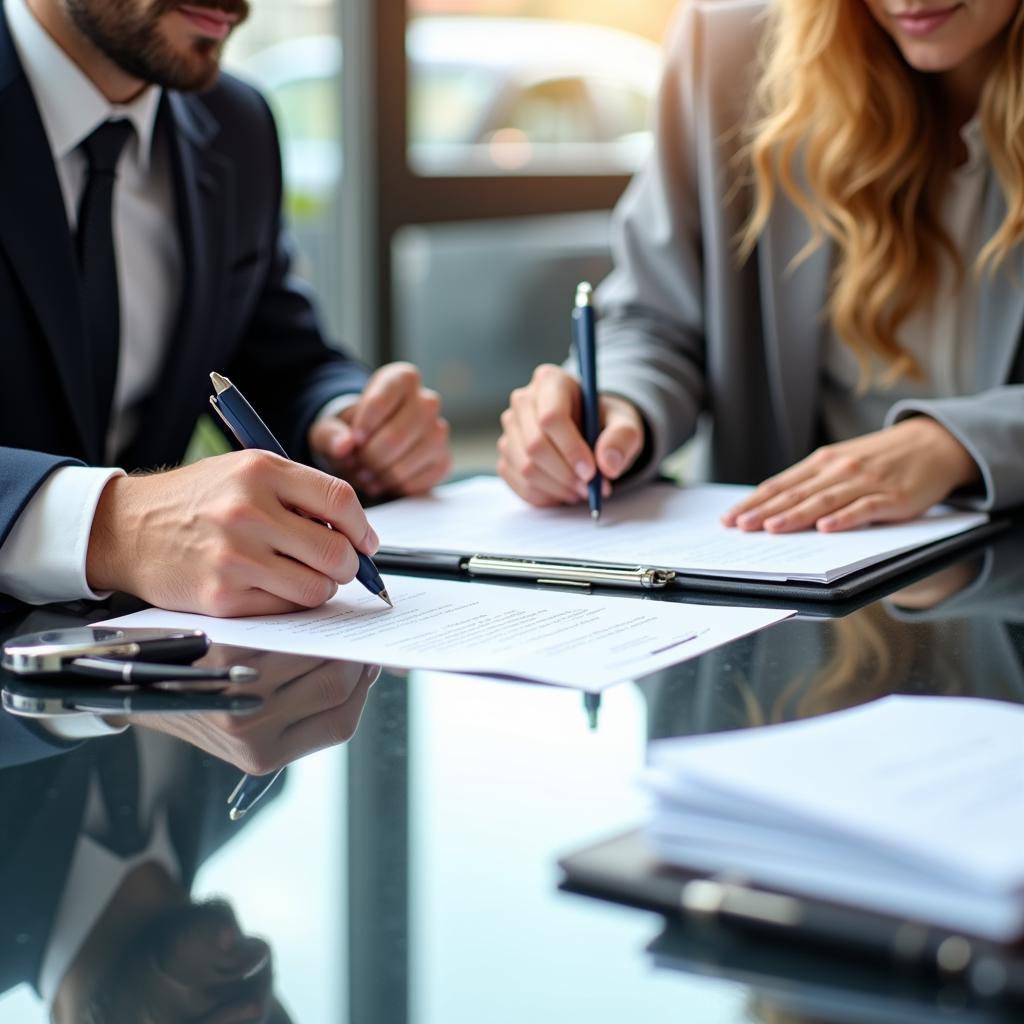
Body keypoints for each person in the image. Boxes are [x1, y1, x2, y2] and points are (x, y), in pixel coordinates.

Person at [497, 0, 1024, 533]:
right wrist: (616, 405)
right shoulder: (725, 51)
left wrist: (958, 443)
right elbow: (655, 319)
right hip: (790, 569)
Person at [0, 0, 452, 618]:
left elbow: (278, 355)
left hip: (145, 667)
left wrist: (346, 420)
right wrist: (109, 526)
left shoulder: (236, 123)